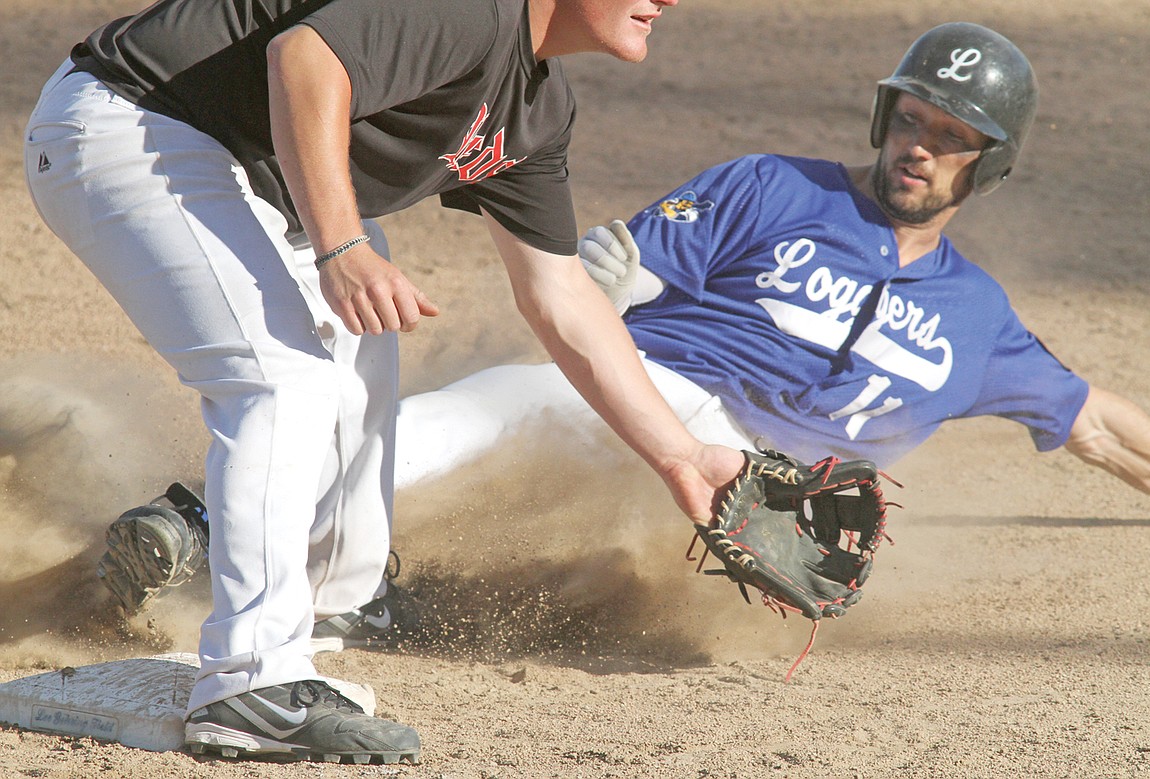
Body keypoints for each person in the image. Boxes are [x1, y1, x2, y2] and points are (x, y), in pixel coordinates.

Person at [22, 0, 746, 764]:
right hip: (131, 123)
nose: (670, 0)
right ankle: (249, 682)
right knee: (281, 377)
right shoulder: (472, 10)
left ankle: (337, 594)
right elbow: (303, 58)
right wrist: (341, 246)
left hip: (248, 172)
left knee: (360, 321)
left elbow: (559, 293)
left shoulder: (535, 107)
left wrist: (683, 457)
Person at [391, 20, 1150, 498]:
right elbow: (623, 277)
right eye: (910, 120)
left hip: (781, 494)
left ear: (990, 166)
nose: (920, 147)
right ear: (882, 119)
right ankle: (308, 531)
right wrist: (613, 292)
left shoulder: (979, 318)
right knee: (506, 401)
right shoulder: (772, 186)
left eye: (952, 137)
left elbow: (1094, 422)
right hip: (662, 400)